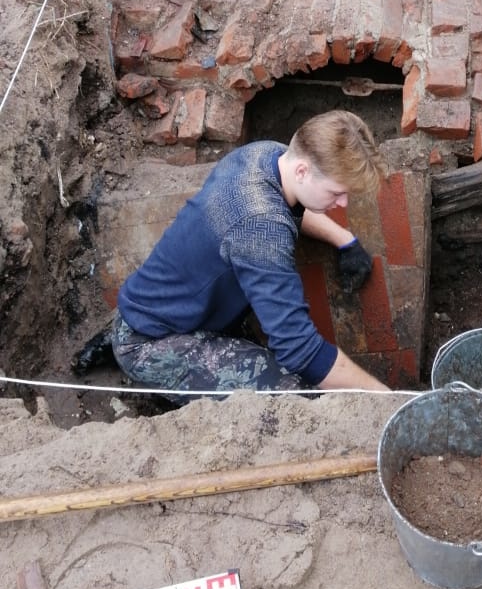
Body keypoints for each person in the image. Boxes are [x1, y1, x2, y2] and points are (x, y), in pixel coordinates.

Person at [87, 111, 390, 397]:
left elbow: (289, 209)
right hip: (154, 341)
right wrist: (386, 398)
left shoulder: (266, 155)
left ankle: (122, 337)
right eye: (336, 192)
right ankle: (129, 354)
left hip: (170, 306)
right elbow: (300, 349)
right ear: (303, 170)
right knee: (296, 398)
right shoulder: (260, 229)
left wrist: (344, 240)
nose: (343, 203)